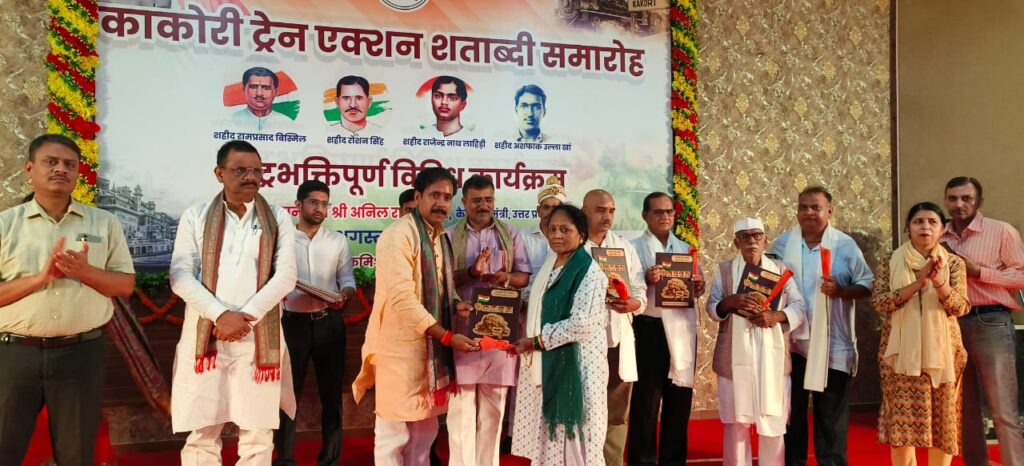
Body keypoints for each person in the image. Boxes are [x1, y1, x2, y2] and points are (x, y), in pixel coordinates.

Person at [0, 134, 135, 466]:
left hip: (81, 354)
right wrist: (40, 279)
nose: (61, 169)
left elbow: (125, 285)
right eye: (51, 162)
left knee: (76, 454)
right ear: (29, 169)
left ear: (77, 173)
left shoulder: (104, 223)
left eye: (69, 164)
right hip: (15, 354)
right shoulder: (5, 224)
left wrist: (86, 272)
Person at [169, 140, 298, 465]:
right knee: (202, 433)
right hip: (206, 340)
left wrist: (245, 317)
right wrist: (220, 315)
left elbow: (286, 276)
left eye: (256, 171)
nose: (250, 177)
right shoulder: (195, 216)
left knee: (258, 435)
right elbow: (180, 275)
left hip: (257, 342)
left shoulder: (278, 218)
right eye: (240, 170)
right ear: (219, 173)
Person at [352, 167, 480, 466]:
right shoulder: (399, 235)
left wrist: (455, 304)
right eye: (435, 195)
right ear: (418, 196)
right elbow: (402, 299)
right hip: (399, 350)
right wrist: (446, 336)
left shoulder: (439, 236)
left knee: (425, 430)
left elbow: (439, 286)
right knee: (393, 432)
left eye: (447, 197)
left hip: (429, 350)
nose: (441, 203)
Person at [772, 186, 874, 466]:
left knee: (830, 417)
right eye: (803, 207)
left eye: (815, 207)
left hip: (832, 343)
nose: (809, 213)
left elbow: (867, 284)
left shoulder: (844, 245)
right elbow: (767, 283)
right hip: (792, 343)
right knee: (791, 414)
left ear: (830, 211)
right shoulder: (782, 244)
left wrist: (842, 291)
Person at [872, 202, 970, 466]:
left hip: (944, 356)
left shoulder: (954, 263)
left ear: (942, 230)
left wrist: (938, 282)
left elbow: (960, 307)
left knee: (942, 423)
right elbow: (880, 303)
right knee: (902, 427)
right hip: (899, 356)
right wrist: (918, 283)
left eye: (932, 222)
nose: (925, 226)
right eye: (918, 221)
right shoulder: (889, 261)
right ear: (907, 228)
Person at [510, 204, 609, 465]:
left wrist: (536, 342)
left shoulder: (589, 271)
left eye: (565, 230)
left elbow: (580, 324)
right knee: (549, 439)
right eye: (552, 229)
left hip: (579, 367)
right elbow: (535, 302)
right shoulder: (550, 265)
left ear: (582, 235)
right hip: (548, 363)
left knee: (578, 440)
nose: (556, 235)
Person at [445, 175, 532, 466]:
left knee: (494, 411)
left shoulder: (510, 234)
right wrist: (472, 272)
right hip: (463, 331)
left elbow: (523, 278)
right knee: (461, 411)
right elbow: (443, 282)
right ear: (464, 203)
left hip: (500, 332)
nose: (483, 205)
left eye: (488, 200)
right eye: (476, 200)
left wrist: (505, 277)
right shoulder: (449, 236)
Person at [706, 217, 806, 466]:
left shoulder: (781, 271)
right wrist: (728, 302)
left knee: (773, 422)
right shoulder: (725, 271)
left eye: (756, 236)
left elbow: (799, 307)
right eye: (745, 236)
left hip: (771, 358)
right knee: (736, 424)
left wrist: (777, 316)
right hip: (734, 358)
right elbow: (712, 307)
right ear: (736, 242)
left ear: (765, 240)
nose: (751, 241)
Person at [939, 177, 1024, 466]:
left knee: (1003, 409)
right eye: (953, 198)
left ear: (979, 202)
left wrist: (978, 271)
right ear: (945, 200)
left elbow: (1021, 276)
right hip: (951, 324)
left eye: (967, 198)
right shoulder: (939, 234)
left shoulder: (1001, 231)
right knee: (964, 408)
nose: (959, 204)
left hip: (991, 321)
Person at [272, 180, 355, 466]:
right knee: (287, 395)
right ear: (298, 205)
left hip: (328, 324)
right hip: (291, 325)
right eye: (314, 202)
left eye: (324, 204)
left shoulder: (337, 241)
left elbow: (347, 279)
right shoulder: (282, 240)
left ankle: (330, 459)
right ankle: (285, 459)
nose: (320, 209)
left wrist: (345, 295)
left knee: (331, 395)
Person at [627, 192, 704, 465]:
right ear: (645, 215)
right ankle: (642, 461)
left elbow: (697, 287)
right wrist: (645, 279)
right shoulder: (632, 248)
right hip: (649, 328)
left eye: (669, 211)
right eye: (658, 212)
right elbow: (624, 287)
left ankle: (673, 460)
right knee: (646, 403)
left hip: (682, 330)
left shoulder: (686, 249)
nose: (665, 216)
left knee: (679, 401)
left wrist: (699, 285)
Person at [580, 189, 645, 466]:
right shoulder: (572, 245)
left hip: (618, 340)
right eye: (600, 210)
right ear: (584, 212)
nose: (607, 216)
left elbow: (640, 290)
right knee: (583, 412)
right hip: (583, 342)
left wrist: (634, 303)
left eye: (611, 211)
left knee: (617, 413)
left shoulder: (624, 247)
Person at [522, 175, 566, 284]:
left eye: (555, 208)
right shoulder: (523, 237)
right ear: (538, 210)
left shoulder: (570, 240)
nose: (550, 212)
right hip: (528, 294)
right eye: (546, 207)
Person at [231, 67, 292, 132]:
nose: (259, 93)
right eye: (253, 87)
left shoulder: (287, 123)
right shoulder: (231, 120)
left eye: (266, 88)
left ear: (276, 93)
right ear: (244, 90)